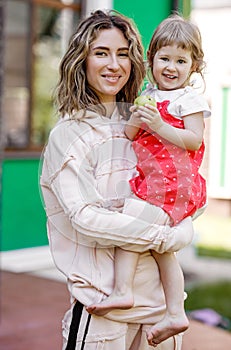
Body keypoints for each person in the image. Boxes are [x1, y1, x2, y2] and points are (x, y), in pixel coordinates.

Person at [40, 10, 195, 350]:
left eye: (123, 53)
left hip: (160, 315)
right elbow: (86, 220)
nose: (114, 64)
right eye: (101, 52)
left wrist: (182, 231)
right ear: (81, 61)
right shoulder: (68, 135)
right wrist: (163, 234)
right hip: (103, 315)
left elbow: (182, 199)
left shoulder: (149, 125)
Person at [86, 13, 211, 347]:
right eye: (164, 58)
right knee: (161, 251)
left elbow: (195, 140)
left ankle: (123, 291)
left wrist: (158, 125)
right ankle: (175, 311)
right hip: (152, 182)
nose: (171, 67)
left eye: (181, 60)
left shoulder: (189, 100)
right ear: (151, 59)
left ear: (194, 66)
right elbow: (129, 134)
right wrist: (138, 117)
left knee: (131, 229)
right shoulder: (149, 95)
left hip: (173, 183)